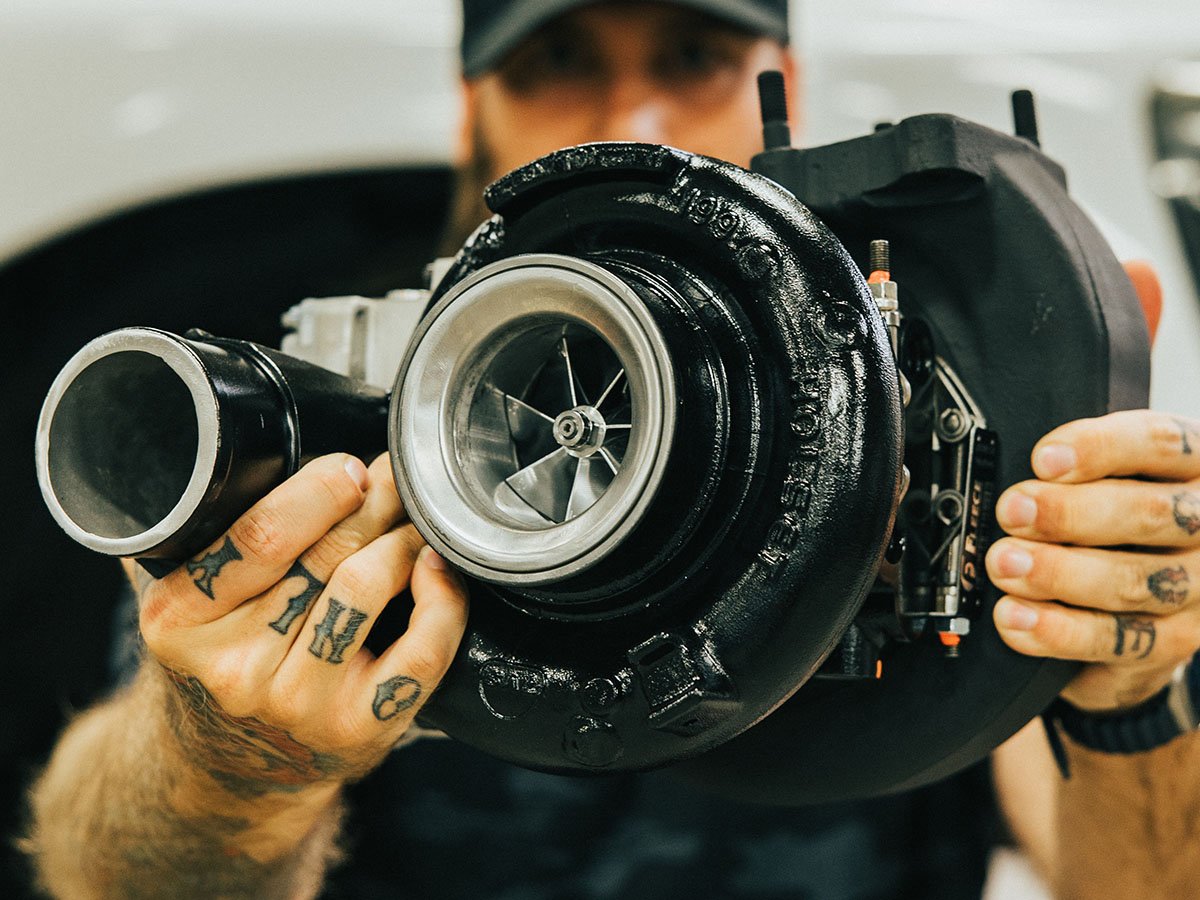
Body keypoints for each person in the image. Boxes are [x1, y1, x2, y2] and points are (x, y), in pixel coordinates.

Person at [21, 1, 1200, 898]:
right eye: (560, 63)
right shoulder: (349, 455)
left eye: (690, 60)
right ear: (468, 110)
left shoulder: (940, 407)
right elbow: (101, 869)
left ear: (781, 90)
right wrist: (224, 763)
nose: (632, 122)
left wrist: (1127, 696)